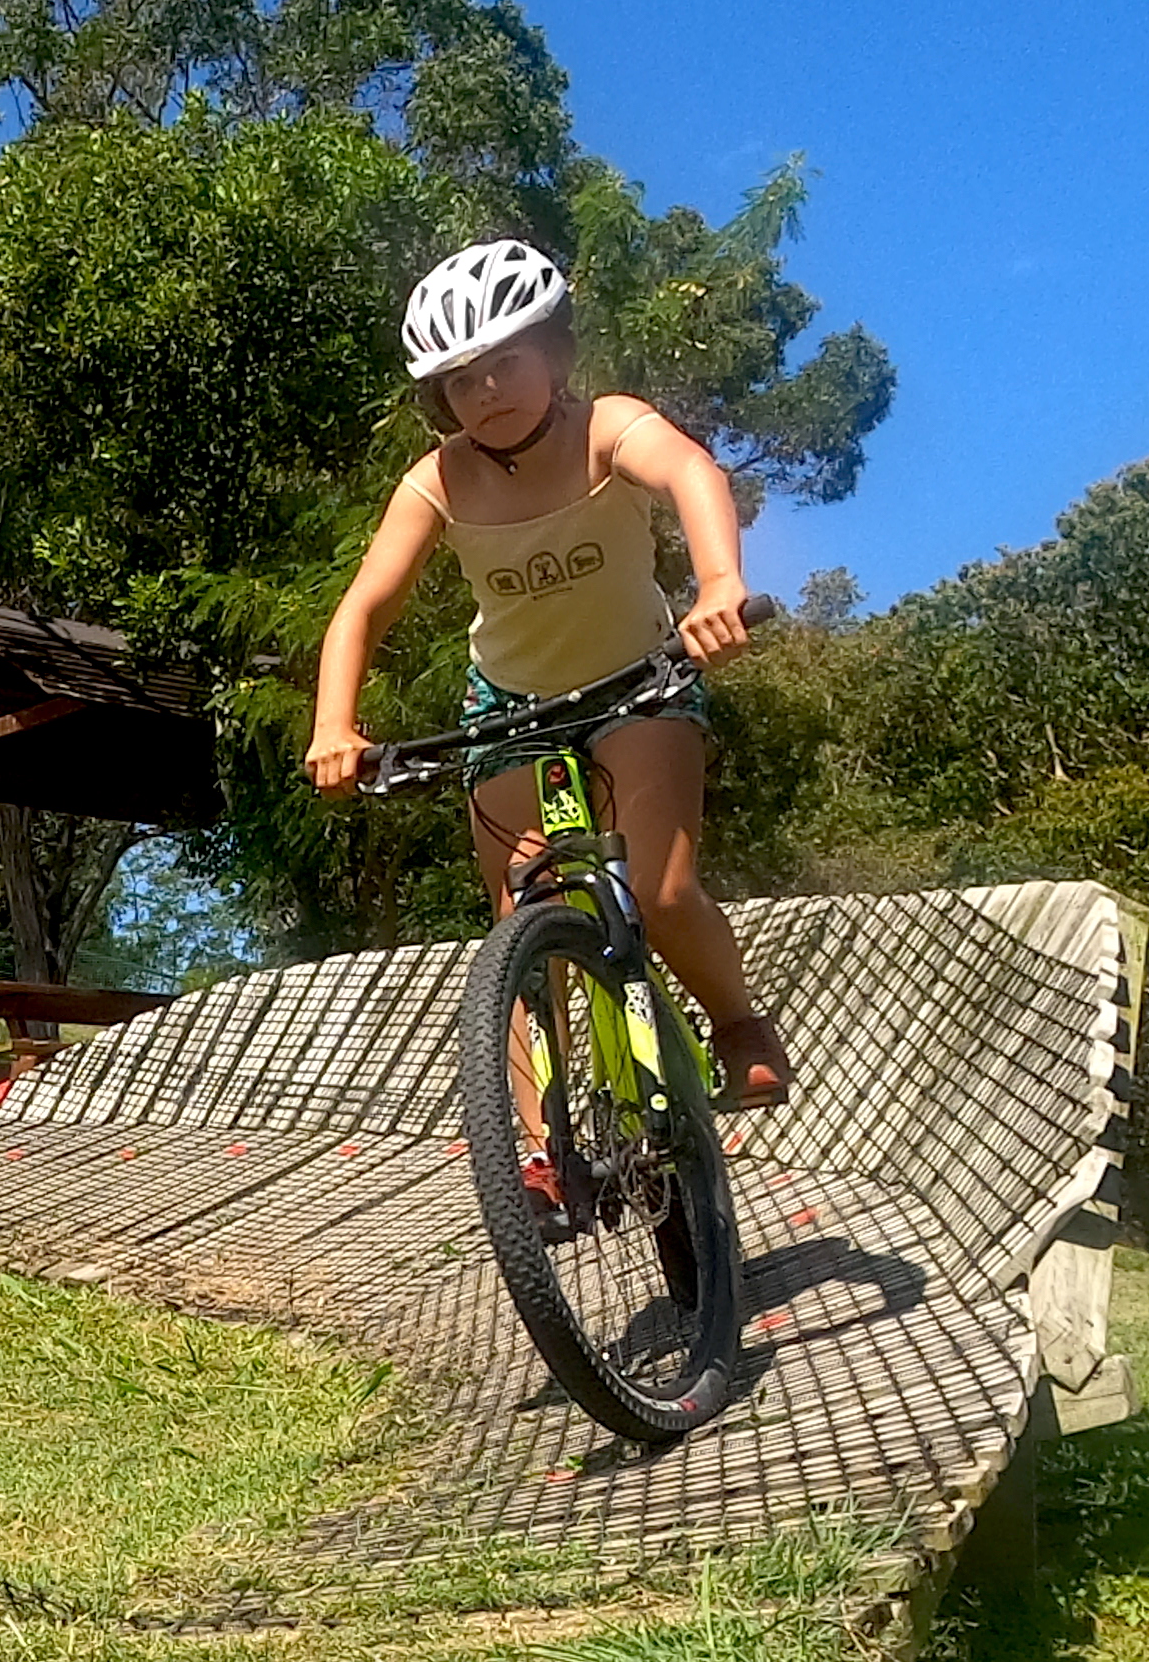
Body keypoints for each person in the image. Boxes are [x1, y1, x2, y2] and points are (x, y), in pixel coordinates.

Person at [304, 237, 795, 1109]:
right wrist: (333, 725)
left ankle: (737, 1026)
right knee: (522, 924)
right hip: (509, 707)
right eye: (462, 379)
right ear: (440, 398)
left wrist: (719, 583)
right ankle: (537, 1152)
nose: (486, 390)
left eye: (505, 363)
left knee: (659, 888)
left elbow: (691, 471)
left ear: (557, 353)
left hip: (639, 680)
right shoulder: (438, 481)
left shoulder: (608, 426)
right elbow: (363, 606)